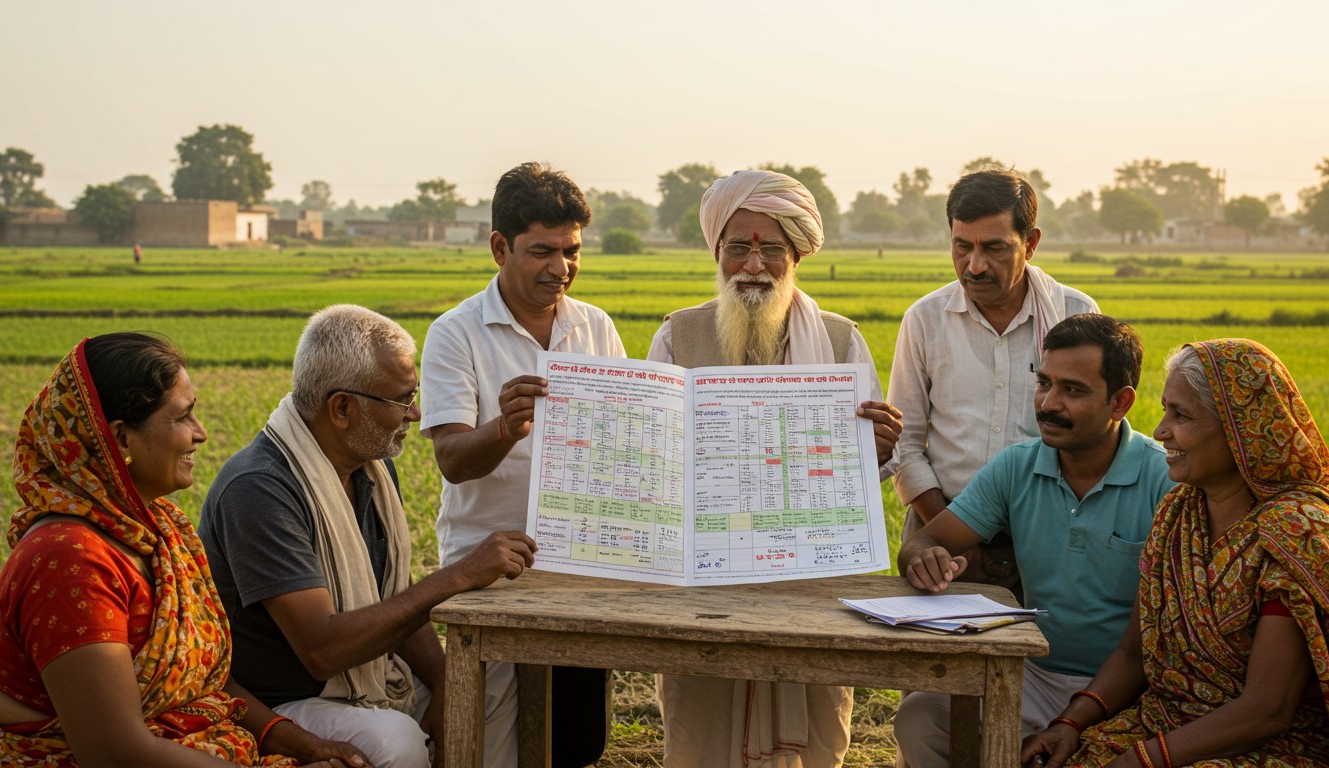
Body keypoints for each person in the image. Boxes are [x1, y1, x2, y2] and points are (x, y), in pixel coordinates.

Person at [0, 333, 369, 767]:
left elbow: (202, 683)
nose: (200, 434)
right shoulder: (69, 561)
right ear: (122, 439)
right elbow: (116, 753)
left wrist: (298, 743)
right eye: (183, 418)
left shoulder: (162, 529)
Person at [199, 306, 537, 768]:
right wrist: (456, 577)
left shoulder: (371, 469)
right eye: (402, 399)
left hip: (364, 675)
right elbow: (323, 651)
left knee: (484, 692)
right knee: (395, 740)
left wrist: (442, 682)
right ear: (342, 408)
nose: (415, 414)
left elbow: (395, 600)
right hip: (283, 701)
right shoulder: (259, 490)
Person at [647, 169, 903, 768]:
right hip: (701, 593)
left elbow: (864, 474)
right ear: (718, 252)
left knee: (813, 742)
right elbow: (655, 460)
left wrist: (879, 452)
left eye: (771, 249)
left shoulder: (841, 343)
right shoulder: (677, 336)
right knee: (698, 737)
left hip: (809, 590)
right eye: (739, 246)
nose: (754, 264)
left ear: (796, 256)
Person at [1022, 339, 1329, 768]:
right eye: (1165, 410)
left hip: (1270, 745)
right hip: (1168, 723)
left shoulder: (1298, 535)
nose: (1161, 430)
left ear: (1240, 428)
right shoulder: (1177, 514)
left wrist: (1141, 760)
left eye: (1180, 415)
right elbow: (1134, 654)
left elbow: (1267, 711)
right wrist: (1070, 723)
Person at [893, 315, 1175, 767]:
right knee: (920, 716)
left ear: (1120, 403)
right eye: (1044, 383)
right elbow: (925, 539)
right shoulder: (1019, 466)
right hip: (1035, 674)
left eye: (1073, 390)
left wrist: (1077, 717)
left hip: (1130, 686)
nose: (1048, 403)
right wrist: (923, 557)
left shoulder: (1164, 480)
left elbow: (1146, 645)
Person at [421, 162, 623, 767]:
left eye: (572, 251)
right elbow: (453, 460)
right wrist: (505, 429)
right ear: (499, 247)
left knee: (576, 737)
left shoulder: (595, 326)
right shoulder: (455, 334)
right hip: (488, 572)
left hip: (579, 567)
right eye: (542, 252)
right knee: (494, 742)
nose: (561, 269)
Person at [889, 168, 1099, 600]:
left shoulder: (1075, 315)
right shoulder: (925, 320)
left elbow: (1094, 434)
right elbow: (904, 442)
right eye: (962, 247)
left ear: (1032, 243)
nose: (975, 265)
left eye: (995, 248)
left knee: (1044, 659)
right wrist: (952, 529)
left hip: (1049, 537)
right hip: (939, 535)